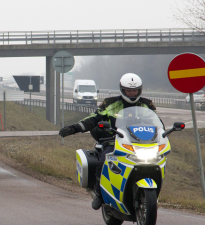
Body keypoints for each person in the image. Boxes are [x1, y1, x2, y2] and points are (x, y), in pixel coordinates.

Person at [59, 73, 157, 210]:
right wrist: (75, 128)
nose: (132, 93)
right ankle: (99, 194)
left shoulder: (147, 105)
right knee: (103, 161)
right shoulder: (110, 104)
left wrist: (164, 134)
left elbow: (157, 124)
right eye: (129, 90)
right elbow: (94, 118)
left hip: (140, 144)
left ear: (139, 90)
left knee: (157, 159)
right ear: (123, 90)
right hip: (115, 141)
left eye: (135, 90)